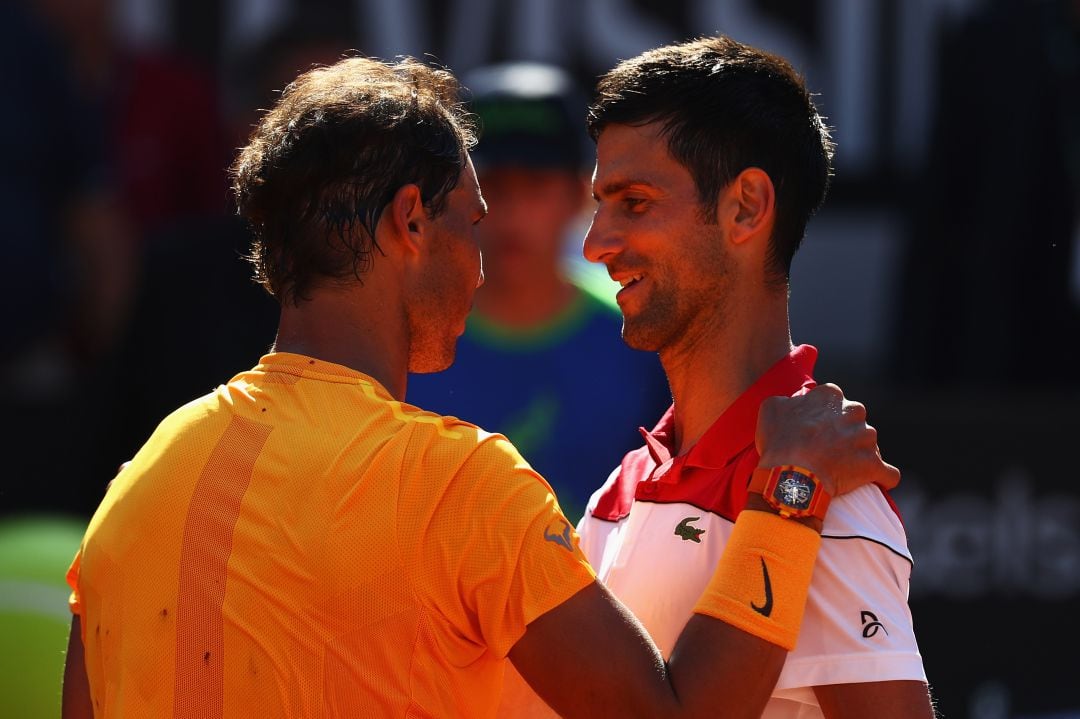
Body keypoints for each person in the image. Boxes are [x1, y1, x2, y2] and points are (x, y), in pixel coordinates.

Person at [61, 55, 901, 718]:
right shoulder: (459, 485)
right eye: (475, 223)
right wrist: (789, 496)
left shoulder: (135, 489)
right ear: (410, 223)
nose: (483, 264)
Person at [502, 36, 934, 718]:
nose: (595, 244)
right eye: (600, 204)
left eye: (634, 202)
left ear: (746, 208)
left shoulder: (829, 496)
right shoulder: (622, 488)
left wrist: (792, 491)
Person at [407, 61, 670, 522]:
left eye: (535, 187)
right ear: (454, 197)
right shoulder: (401, 339)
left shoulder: (643, 337)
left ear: (578, 194)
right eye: (493, 187)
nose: (510, 213)